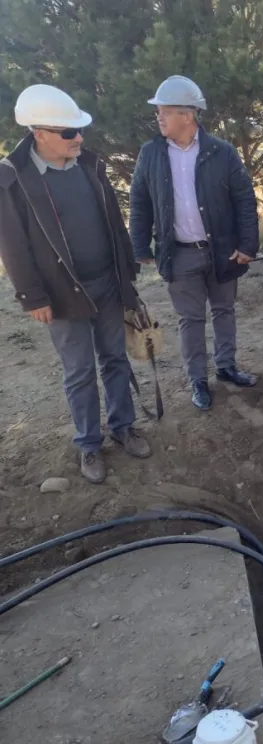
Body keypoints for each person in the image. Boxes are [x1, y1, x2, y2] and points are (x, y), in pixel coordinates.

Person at [0, 84, 152, 483]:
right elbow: (12, 244)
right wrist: (32, 295)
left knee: (116, 359)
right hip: (61, 294)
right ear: (40, 134)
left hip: (106, 282)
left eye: (79, 131)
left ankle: (123, 428)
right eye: (69, 133)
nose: (78, 138)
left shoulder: (91, 166)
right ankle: (88, 444)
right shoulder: (13, 178)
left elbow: (114, 225)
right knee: (79, 371)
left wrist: (126, 278)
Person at [129, 75, 260, 412]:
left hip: (222, 250)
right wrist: (140, 247)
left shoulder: (221, 151)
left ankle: (227, 367)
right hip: (180, 254)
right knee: (190, 319)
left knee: (224, 310)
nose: (158, 118)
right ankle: (198, 381)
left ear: (187, 115)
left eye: (164, 112)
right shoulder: (151, 154)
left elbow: (244, 198)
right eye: (158, 112)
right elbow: (140, 201)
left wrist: (247, 245)